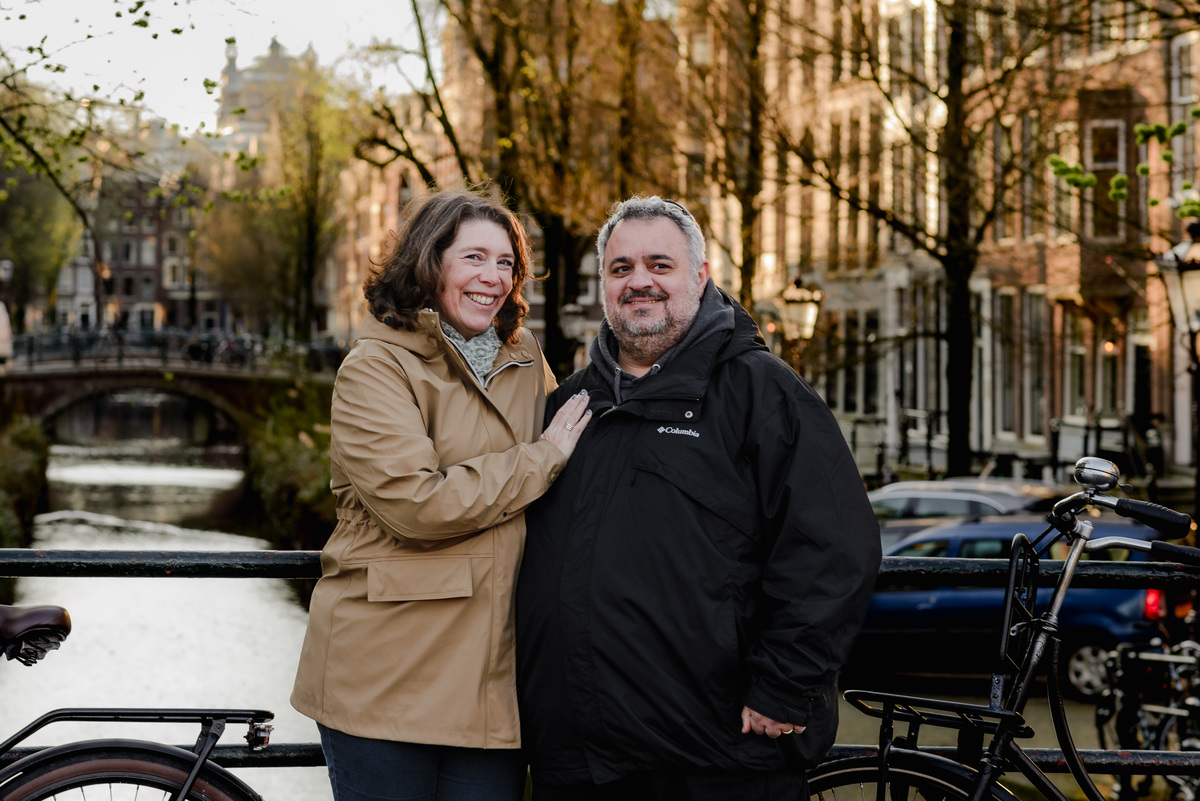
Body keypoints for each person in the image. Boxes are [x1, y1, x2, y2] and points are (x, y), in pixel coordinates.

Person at [516, 196, 882, 801]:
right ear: (605, 284)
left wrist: (785, 687)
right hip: (579, 759)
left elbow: (834, 546)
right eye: (621, 268)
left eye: (660, 265)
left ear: (701, 275)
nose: (640, 282)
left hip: (716, 758)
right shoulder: (570, 405)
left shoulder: (762, 392)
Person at [291, 187, 592, 801]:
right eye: (474, 258)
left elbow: (579, 462)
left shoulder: (526, 360)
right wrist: (541, 459)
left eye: (506, 262)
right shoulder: (375, 367)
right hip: (388, 675)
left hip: (492, 683)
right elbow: (417, 506)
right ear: (430, 265)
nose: (494, 278)